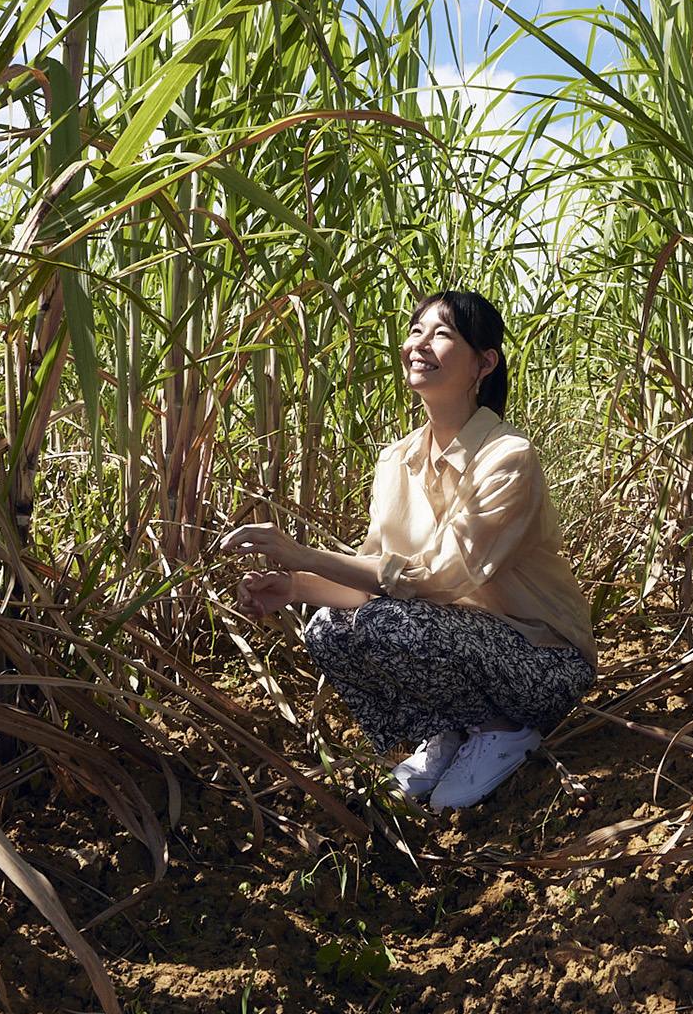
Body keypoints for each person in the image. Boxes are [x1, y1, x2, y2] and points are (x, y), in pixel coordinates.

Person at [218, 290, 596, 809]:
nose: (420, 343)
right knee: (327, 628)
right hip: (457, 644)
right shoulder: (396, 460)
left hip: (543, 665)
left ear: (484, 363)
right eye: (416, 330)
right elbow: (374, 576)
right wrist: (294, 587)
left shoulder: (509, 458)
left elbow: (436, 580)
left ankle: (503, 731)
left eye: (442, 334)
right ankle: (449, 730)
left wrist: (303, 555)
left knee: (388, 622)